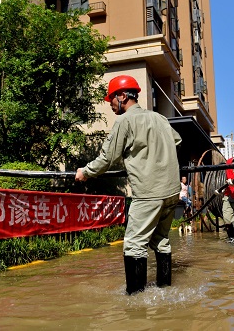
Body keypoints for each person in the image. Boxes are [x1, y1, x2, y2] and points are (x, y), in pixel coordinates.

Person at [75, 75, 182, 295]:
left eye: (112, 99)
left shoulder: (125, 121)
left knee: (134, 245)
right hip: (171, 192)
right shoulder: (160, 118)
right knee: (161, 240)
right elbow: (177, 140)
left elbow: (107, 158)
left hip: (148, 193)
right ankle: (165, 291)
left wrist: (85, 172)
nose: (111, 104)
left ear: (123, 96)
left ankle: (136, 302)